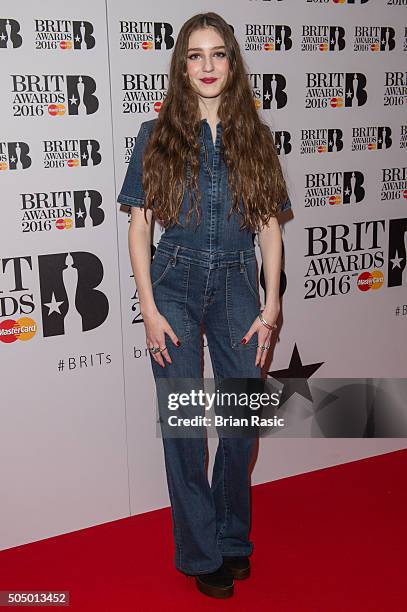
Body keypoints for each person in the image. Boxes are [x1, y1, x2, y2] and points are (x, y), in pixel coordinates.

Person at [117, 11, 291, 599]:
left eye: (218, 54)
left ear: (232, 64)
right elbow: (140, 229)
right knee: (187, 430)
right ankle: (199, 551)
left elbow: (269, 226)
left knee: (242, 425)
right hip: (173, 284)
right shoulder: (156, 133)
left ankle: (233, 538)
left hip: (240, 284)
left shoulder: (254, 135)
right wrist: (149, 307)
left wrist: (271, 306)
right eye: (196, 55)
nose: (208, 66)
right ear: (181, 66)